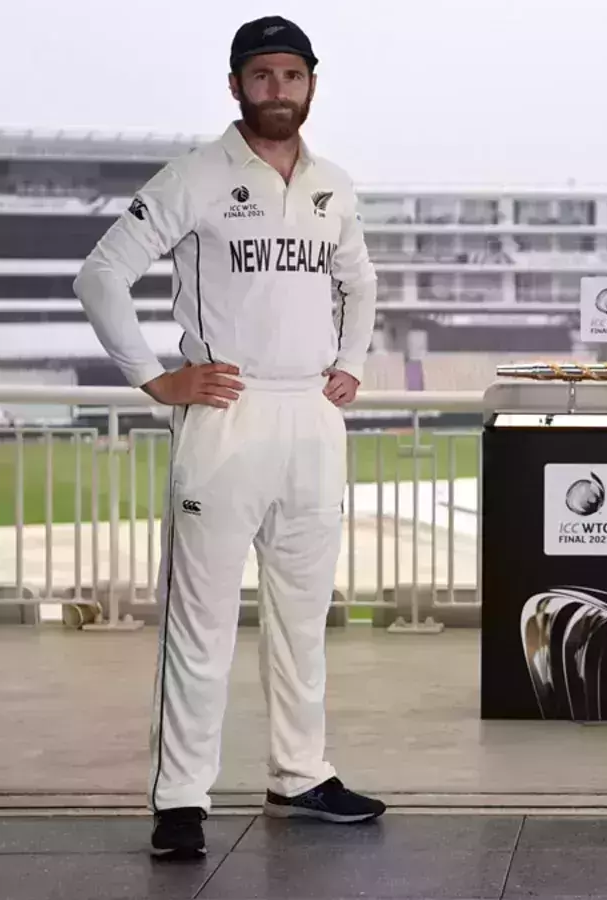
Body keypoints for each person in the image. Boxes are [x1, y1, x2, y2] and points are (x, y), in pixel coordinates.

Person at [74, 15, 386, 861]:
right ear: (236, 85)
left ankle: (300, 773)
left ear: (311, 83)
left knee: (304, 618)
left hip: (311, 417)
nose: (277, 90)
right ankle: (181, 800)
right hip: (226, 413)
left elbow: (360, 283)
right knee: (200, 622)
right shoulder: (197, 175)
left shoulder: (333, 185)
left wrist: (352, 362)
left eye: (292, 75)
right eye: (262, 76)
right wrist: (154, 377)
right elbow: (101, 274)